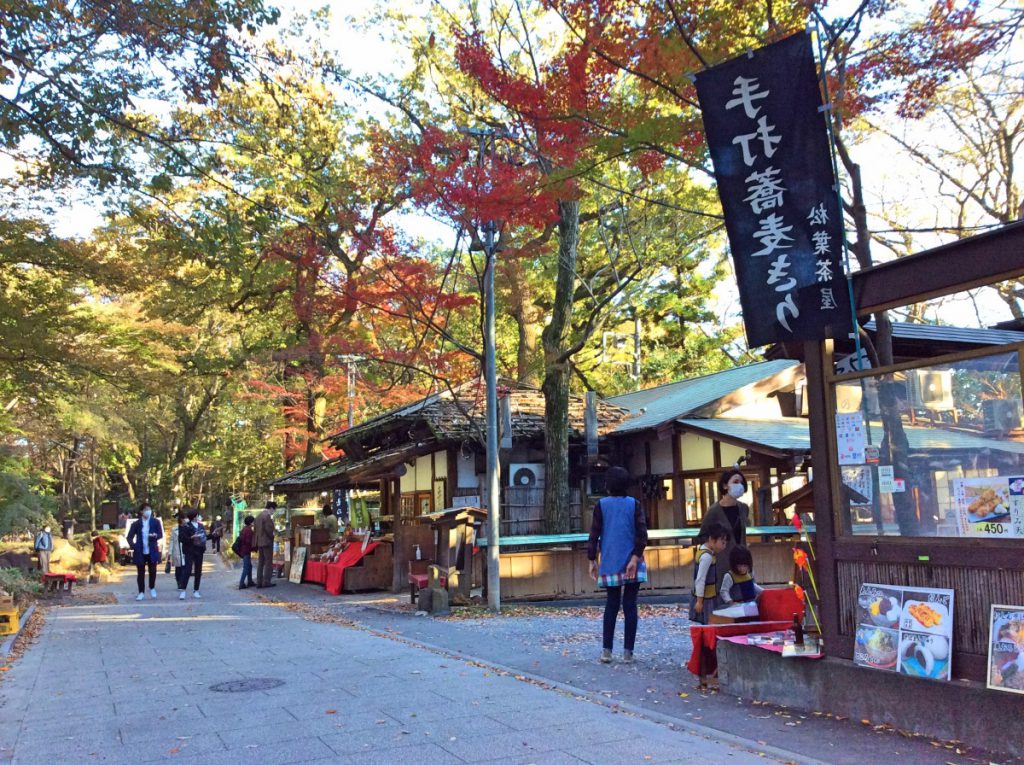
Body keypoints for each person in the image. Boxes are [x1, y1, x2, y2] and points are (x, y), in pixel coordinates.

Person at [587, 466, 648, 664]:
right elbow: (642, 533)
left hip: (610, 560)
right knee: (630, 605)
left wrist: (592, 559)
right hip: (633, 561)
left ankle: (607, 651)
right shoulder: (635, 504)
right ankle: (628, 652)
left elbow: (594, 534)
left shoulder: (601, 505)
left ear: (608, 484)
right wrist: (635, 557)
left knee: (611, 605)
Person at [698, 468, 749, 593]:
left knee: (744, 598)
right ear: (725, 485)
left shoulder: (743, 508)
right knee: (724, 597)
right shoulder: (714, 511)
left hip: (742, 560)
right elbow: (702, 535)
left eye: (741, 482)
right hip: (721, 561)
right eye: (736, 481)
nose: (739, 485)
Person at [126, 503, 163, 600]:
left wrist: (155, 535)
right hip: (140, 551)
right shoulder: (136, 524)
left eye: (150, 509)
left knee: (153, 571)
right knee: (140, 572)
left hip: (152, 550)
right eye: (146, 509)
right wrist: (134, 546)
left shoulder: (155, 522)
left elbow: (160, 534)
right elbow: (129, 537)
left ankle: (152, 587)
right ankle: (141, 592)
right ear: (141, 511)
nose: (148, 511)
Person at [178, 509, 206, 599]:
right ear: (194, 517)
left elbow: (204, 536)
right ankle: (183, 590)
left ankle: (196, 590)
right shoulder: (186, 526)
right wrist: (191, 537)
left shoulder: (201, 526)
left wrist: (212, 535)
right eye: (197, 515)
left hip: (199, 550)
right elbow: (182, 538)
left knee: (198, 570)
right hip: (190, 550)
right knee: (188, 570)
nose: (198, 517)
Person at [253, 501, 277, 588]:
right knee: (268, 562)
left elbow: (255, 530)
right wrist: (273, 536)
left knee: (261, 562)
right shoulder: (267, 516)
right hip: (267, 542)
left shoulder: (258, 516)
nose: (274, 512)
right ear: (271, 508)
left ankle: (259, 582)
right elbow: (269, 530)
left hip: (259, 541)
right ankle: (266, 581)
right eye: (274, 510)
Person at [235, 515, 256, 589]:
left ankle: (249, 581)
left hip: (243, 550)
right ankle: (241, 583)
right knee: (246, 567)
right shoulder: (249, 530)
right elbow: (248, 541)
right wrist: (254, 547)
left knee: (249, 566)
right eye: (253, 521)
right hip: (246, 550)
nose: (254, 522)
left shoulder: (244, 529)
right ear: (250, 522)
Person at [167, 513, 187, 590]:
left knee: (184, 568)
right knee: (178, 568)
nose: (186, 520)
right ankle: (179, 582)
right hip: (177, 550)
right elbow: (172, 541)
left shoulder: (187, 528)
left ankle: (182, 583)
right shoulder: (174, 529)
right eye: (184, 518)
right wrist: (170, 552)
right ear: (181, 520)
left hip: (185, 550)